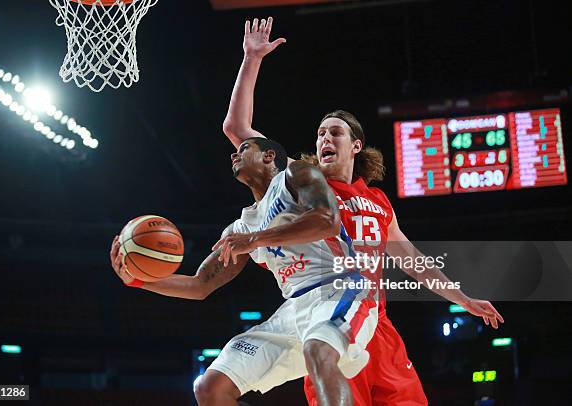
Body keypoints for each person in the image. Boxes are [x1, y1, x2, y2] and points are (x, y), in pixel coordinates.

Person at [221, 17, 505, 405]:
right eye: (320, 133)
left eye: (335, 132)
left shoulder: (378, 201)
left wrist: (462, 298)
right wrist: (251, 59)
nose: (325, 138)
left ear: (355, 146)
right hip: (324, 319)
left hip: (375, 323)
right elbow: (237, 127)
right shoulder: (294, 182)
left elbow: (412, 260)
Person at [110, 137, 380, 406]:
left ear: (268, 156)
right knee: (211, 388)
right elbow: (200, 285)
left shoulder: (295, 175)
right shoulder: (240, 227)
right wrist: (137, 280)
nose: (233, 155)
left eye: (243, 148)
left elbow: (327, 221)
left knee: (319, 350)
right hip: (292, 309)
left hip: (338, 287)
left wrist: (255, 240)